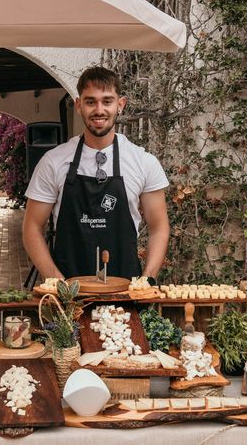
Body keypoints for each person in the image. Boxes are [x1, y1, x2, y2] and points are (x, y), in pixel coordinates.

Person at [22, 66, 170, 283]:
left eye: (107, 101)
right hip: (67, 294)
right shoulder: (53, 161)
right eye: (91, 101)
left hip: (127, 292)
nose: (99, 110)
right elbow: (32, 228)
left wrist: (147, 280)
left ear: (120, 105)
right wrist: (57, 282)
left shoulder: (143, 162)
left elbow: (159, 227)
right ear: (79, 105)